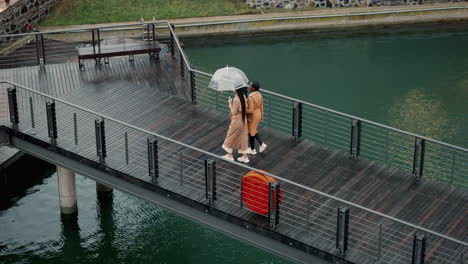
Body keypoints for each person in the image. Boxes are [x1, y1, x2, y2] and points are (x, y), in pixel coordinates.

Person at [222, 86, 250, 163]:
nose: (232, 89)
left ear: (237, 90)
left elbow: (234, 112)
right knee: (243, 137)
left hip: (237, 121)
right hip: (243, 120)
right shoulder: (243, 96)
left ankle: (229, 155)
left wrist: (230, 103)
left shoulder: (236, 99)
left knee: (230, 136)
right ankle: (245, 157)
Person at [246, 81, 267, 155]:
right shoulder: (259, 95)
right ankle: (262, 144)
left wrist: (243, 110)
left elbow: (251, 110)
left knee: (251, 133)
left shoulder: (251, 97)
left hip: (253, 116)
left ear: (253, 88)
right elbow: (261, 106)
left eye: (250, 86)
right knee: (253, 130)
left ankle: (252, 150)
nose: (249, 86)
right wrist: (261, 116)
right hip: (258, 114)